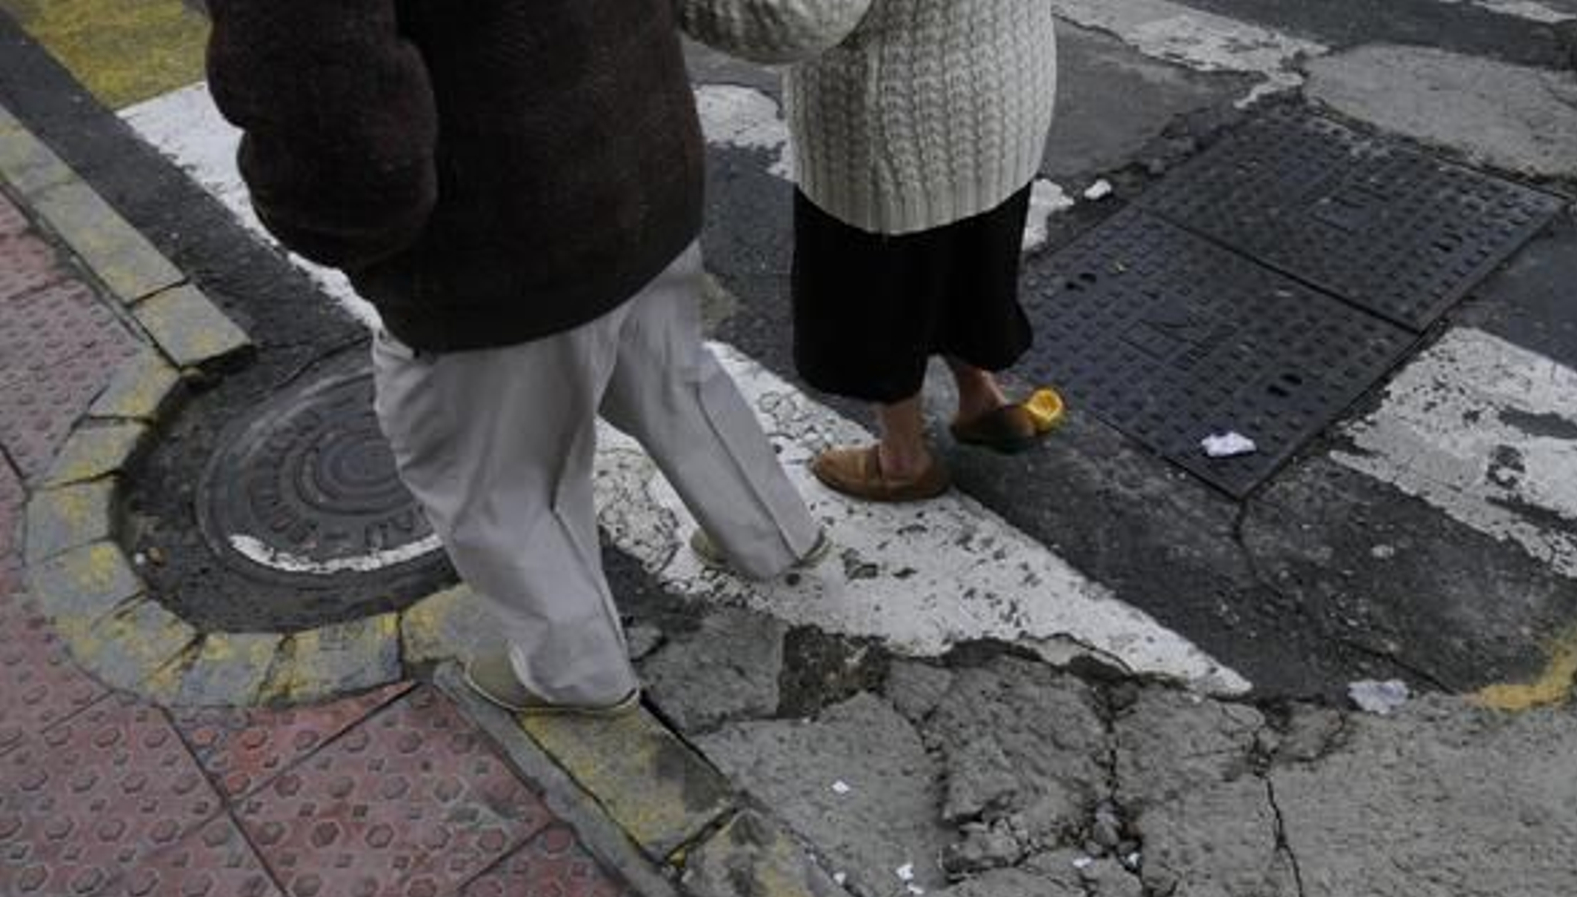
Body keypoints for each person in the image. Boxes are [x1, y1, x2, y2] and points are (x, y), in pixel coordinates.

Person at [205, 0, 825, 716]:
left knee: (495, 479)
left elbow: (331, 118)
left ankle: (579, 677)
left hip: (498, 237)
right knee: (669, 373)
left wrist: (361, 241)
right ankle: (774, 537)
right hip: (642, 154)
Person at [679, 0, 1058, 502]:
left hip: (900, 124)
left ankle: (902, 461)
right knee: (969, 263)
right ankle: (981, 402)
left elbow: (795, 22)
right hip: (1005, 86)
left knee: (883, 302)